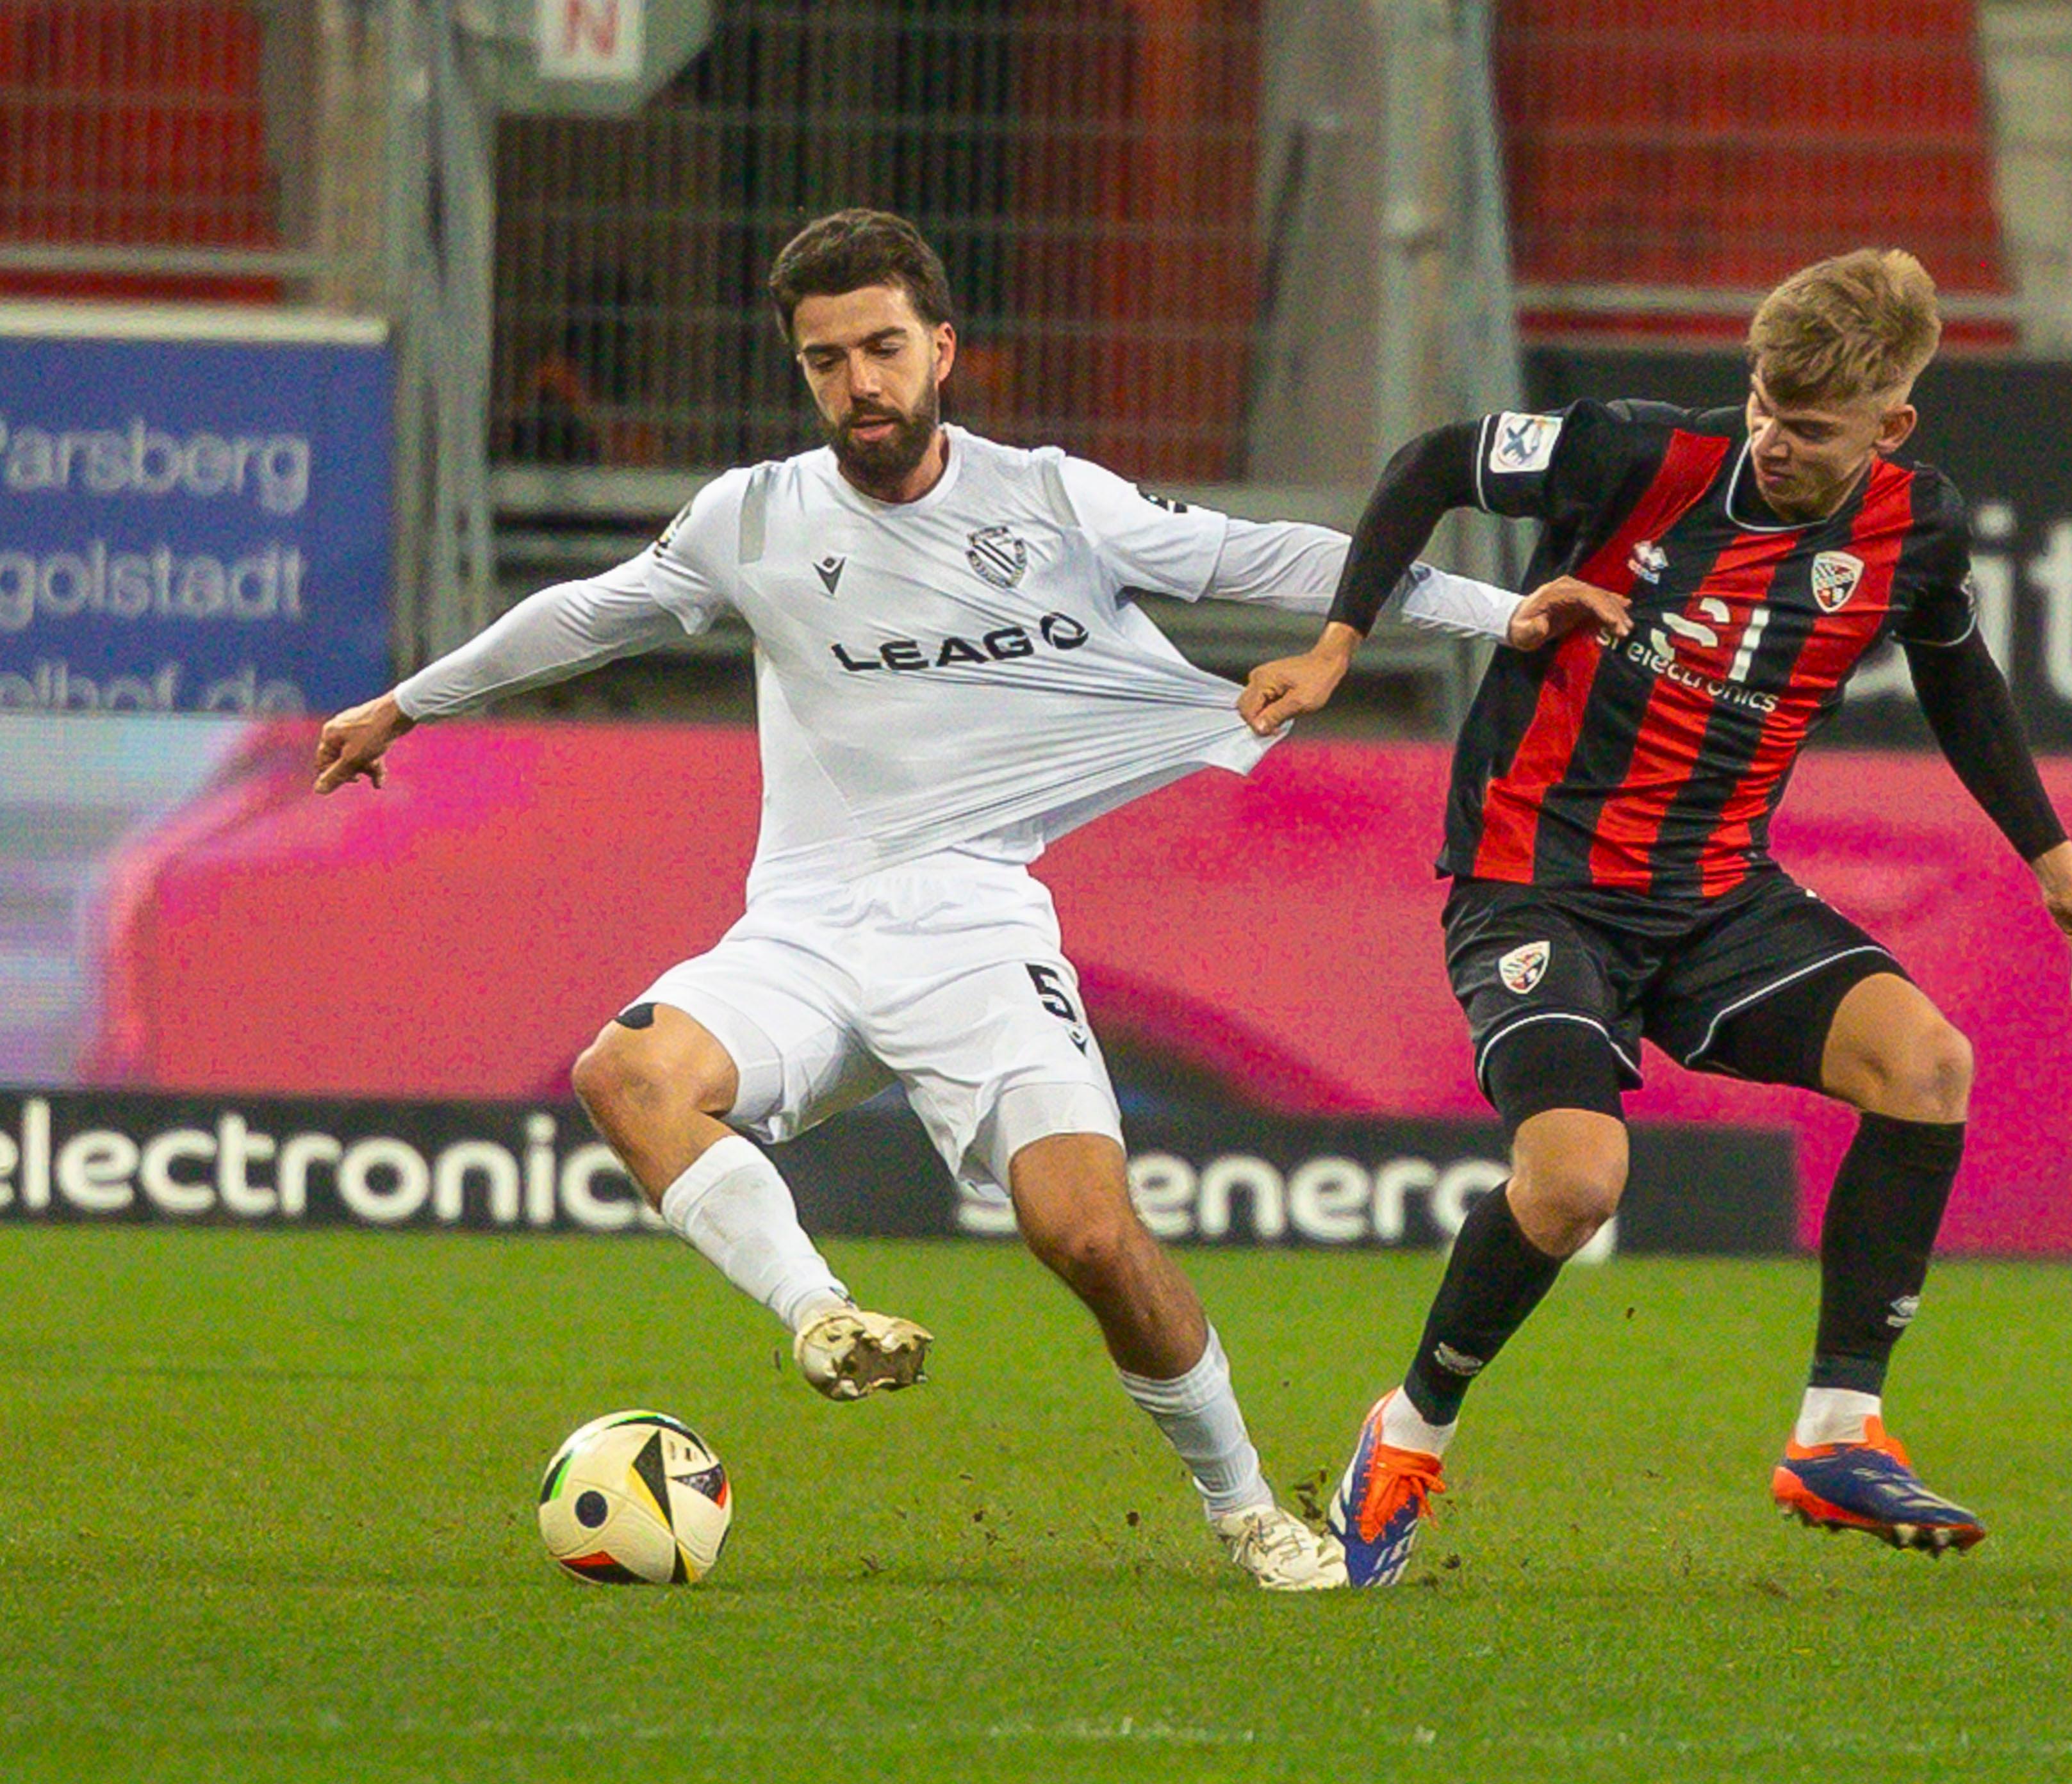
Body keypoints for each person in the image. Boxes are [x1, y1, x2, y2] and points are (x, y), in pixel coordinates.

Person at [313, 208, 1625, 1591]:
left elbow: (1262, 558)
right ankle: (821, 1316)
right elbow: (587, 611)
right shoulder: (750, 519)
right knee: (624, 1074)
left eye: (883, 348)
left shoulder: (1049, 499)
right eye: (826, 361)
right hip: (804, 930)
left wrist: (1497, 613)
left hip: (975, 931)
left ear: (942, 348)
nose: (859, 384)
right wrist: (408, 703)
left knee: (1088, 1234)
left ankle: (1247, 1511)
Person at [1237, 247, 2072, 1585]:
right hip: (1534, 880)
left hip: (1718, 896)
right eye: (1765, 405)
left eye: (1812, 427)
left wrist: (2056, 866)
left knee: (1927, 1064)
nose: (1774, 441)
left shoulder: (1916, 527)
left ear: (1891, 427)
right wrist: (1336, 644)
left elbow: (1957, 673)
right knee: (1574, 1182)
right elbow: (1430, 463)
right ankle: (1409, 1430)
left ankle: (1836, 1433)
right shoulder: (1634, 453)